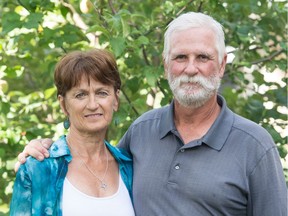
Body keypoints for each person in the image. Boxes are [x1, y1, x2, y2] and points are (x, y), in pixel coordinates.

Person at [15, 12, 287, 215]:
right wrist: (40, 150)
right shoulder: (143, 131)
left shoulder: (255, 145)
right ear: (166, 63)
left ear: (222, 64)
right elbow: (92, 158)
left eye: (203, 57)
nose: (191, 69)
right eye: (180, 57)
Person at [10, 49, 135, 216]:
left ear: (115, 100)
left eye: (102, 93)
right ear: (63, 105)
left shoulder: (130, 167)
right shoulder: (38, 169)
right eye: (80, 95)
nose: (92, 104)